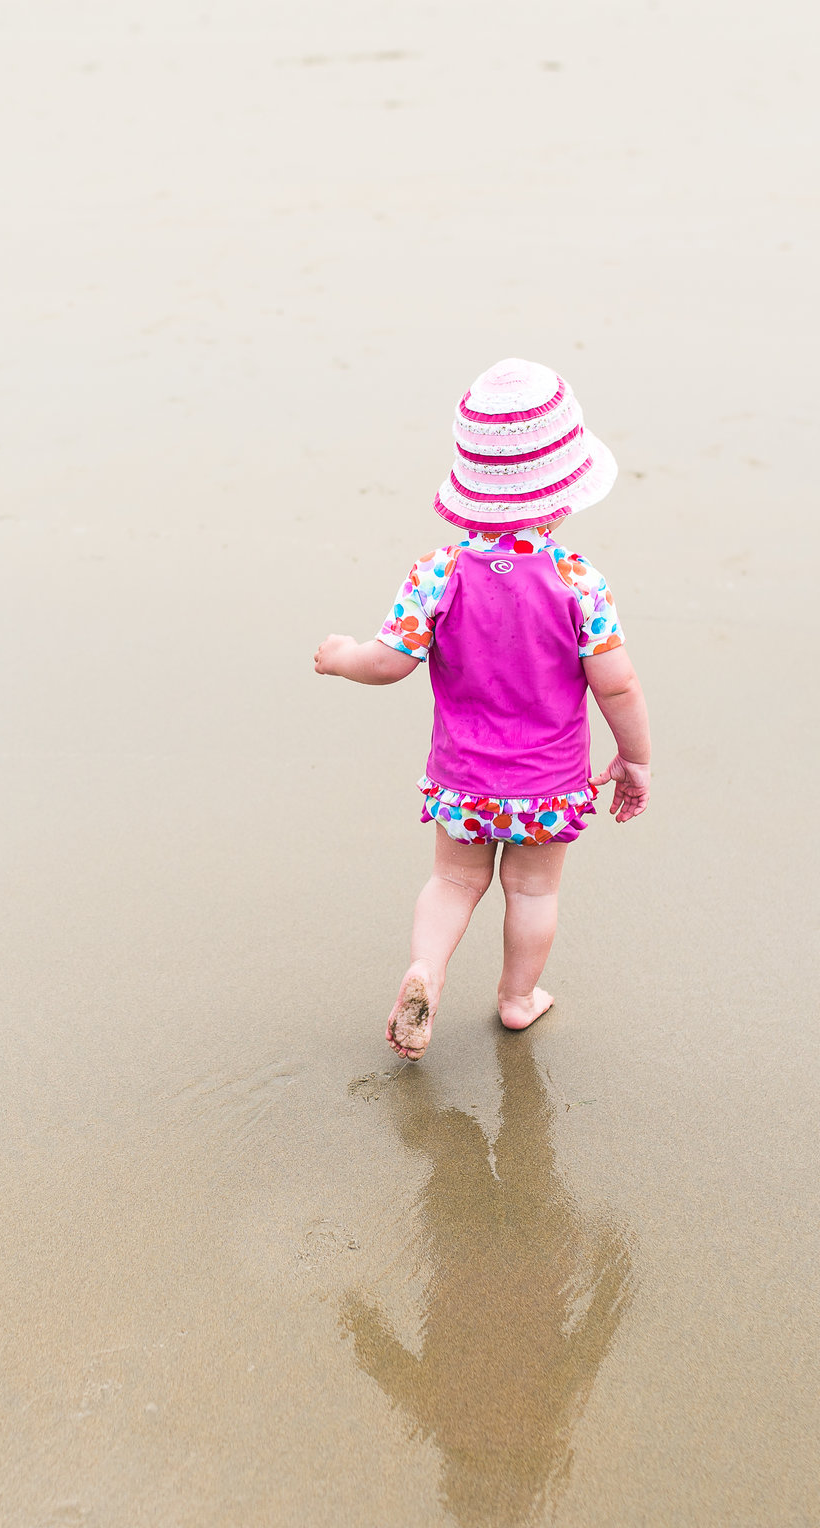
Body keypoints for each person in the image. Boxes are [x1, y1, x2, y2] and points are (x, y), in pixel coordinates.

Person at [313, 359, 653, 1061]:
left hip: (463, 781)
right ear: (566, 494)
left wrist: (344, 653)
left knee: (453, 880)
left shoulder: (438, 574)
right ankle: (518, 998)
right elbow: (616, 684)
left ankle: (425, 972)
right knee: (531, 894)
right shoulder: (578, 583)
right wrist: (635, 758)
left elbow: (389, 660)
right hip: (548, 787)